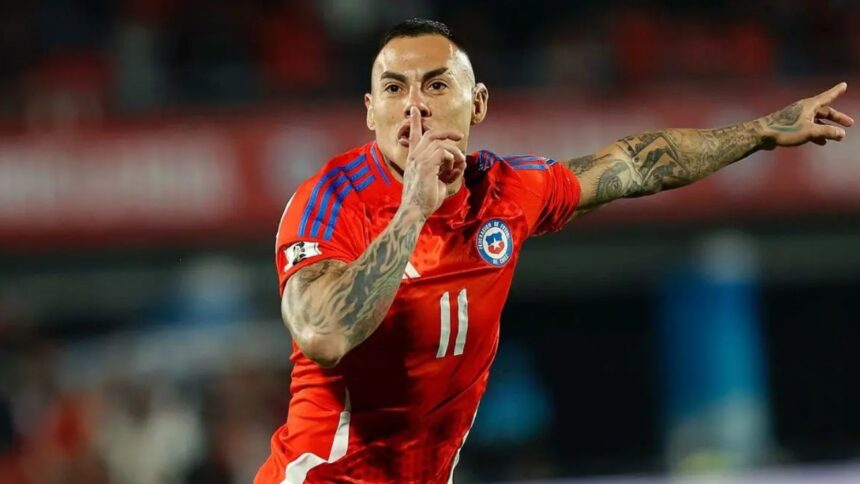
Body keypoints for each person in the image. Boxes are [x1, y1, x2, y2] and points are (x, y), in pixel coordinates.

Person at [255, 18, 853, 484]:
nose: (415, 105)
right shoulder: (331, 203)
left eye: (436, 84)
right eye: (393, 88)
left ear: (478, 103)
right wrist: (413, 208)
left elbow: (636, 164)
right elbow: (323, 334)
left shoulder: (506, 192)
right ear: (370, 112)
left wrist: (762, 131)